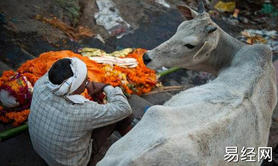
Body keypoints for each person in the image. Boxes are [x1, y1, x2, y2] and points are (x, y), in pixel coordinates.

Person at [28, 57, 133, 166]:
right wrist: (106, 87)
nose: (88, 82)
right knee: (122, 116)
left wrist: (85, 84)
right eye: (86, 81)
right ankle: (134, 146)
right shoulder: (83, 111)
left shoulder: (41, 84)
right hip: (69, 163)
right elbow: (124, 108)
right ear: (75, 87)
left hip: (41, 150)